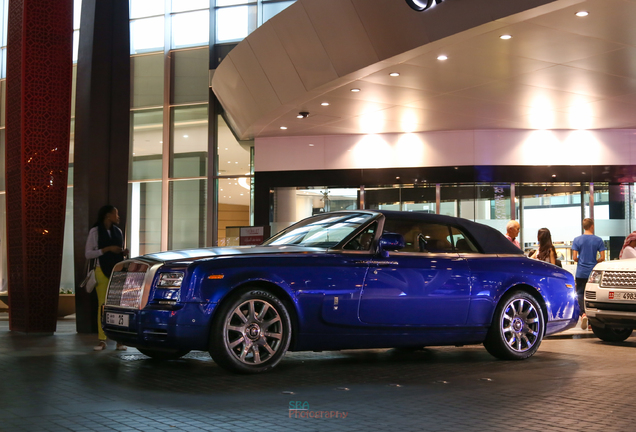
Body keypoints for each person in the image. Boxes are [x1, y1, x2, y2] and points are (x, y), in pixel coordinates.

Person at [85, 205, 129, 351]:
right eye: (115, 214)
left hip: (116, 270)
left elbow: (118, 250)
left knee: (117, 305)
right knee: (103, 305)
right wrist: (107, 249)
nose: (118, 217)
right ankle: (102, 339)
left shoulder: (118, 231)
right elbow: (88, 253)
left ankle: (119, 340)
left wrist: (123, 252)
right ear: (107, 215)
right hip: (100, 270)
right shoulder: (95, 231)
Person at [572, 218, 606, 330]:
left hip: (581, 272)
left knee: (580, 294)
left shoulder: (577, 240)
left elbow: (574, 257)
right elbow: (603, 257)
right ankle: (592, 322)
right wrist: (595, 261)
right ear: (592, 226)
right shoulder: (598, 240)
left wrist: (581, 261)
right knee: (592, 295)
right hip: (593, 272)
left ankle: (583, 314)